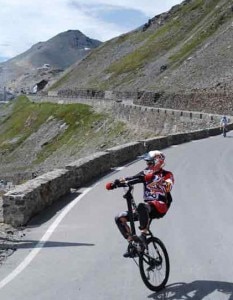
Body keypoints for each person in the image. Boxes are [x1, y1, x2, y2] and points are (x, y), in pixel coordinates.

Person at [107, 150, 174, 258]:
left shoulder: (167, 174)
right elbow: (133, 179)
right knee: (119, 218)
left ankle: (143, 236)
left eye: (149, 163)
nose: (147, 165)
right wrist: (116, 183)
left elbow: (169, 186)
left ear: (157, 162)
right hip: (146, 209)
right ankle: (133, 245)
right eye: (147, 163)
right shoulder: (146, 173)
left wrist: (155, 178)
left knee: (142, 206)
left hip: (160, 206)